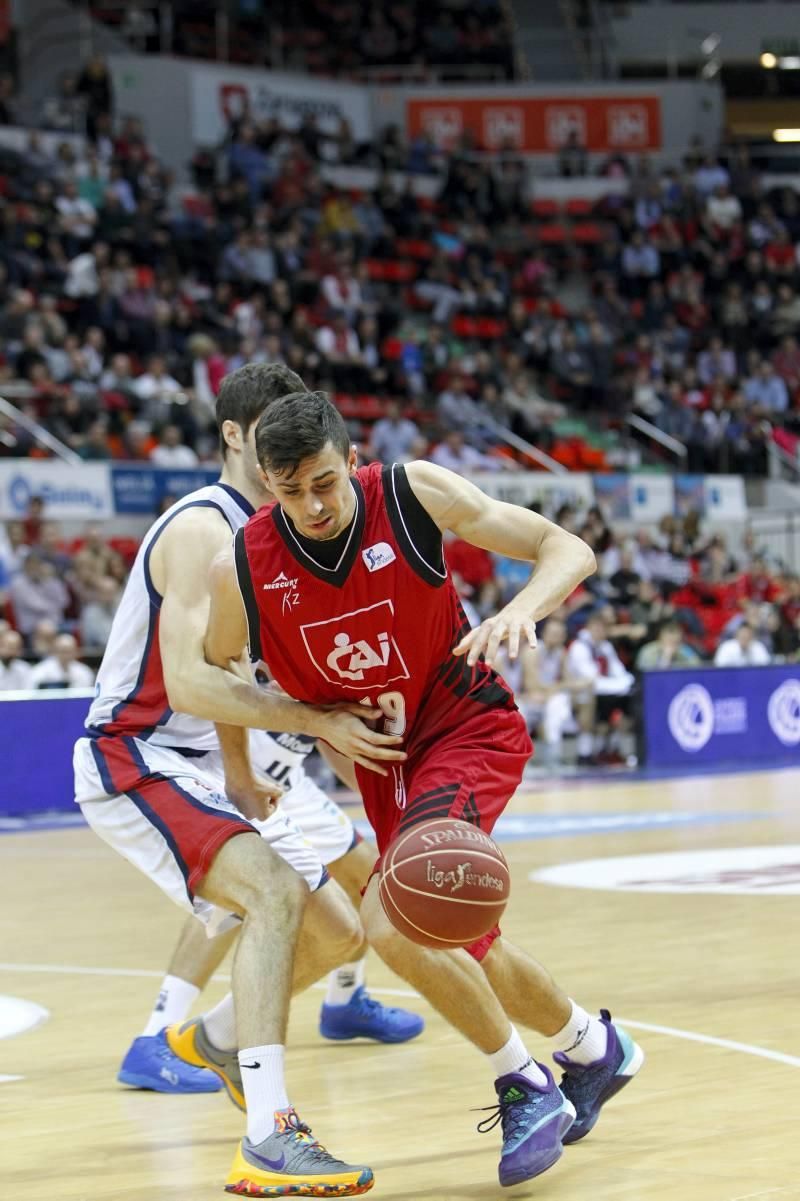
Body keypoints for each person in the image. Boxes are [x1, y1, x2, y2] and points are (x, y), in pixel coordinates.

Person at [194, 390, 644, 1190]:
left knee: (394, 914)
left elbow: (564, 547)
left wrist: (519, 610)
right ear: (265, 482)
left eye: (326, 482)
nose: (313, 505)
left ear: (352, 461)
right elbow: (220, 668)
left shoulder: (413, 494)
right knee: (457, 938)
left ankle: (526, 1084)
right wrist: (249, 757)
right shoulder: (245, 564)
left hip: (464, 727)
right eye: (290, 490)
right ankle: (591, 1048)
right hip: (385, 768)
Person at [73, 365, 418, 1197]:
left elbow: (260, 676)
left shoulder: (278, 535)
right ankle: (269, 1134)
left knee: (340, 933)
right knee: (270, 892)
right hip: (142, 749)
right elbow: (196, 680)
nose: (287, 457)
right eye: (272, 435)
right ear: (237, 438)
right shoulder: (203, 528)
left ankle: (223, 1039)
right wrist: (290, 737)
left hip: (221, 757)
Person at [30, 632, 95, 688]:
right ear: (55, 651)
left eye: (69, 651)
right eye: (63, 651)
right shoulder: (40, 671)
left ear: (75, 652)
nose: (66, 655)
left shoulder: (85, 672)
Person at [636, 621, 701, 670]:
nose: (673, 644)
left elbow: (697, 668)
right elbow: (650, 675)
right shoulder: (649, 650)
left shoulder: (684, 649)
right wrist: (666, 656)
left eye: (676, 642)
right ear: (660, 637)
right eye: (670, 640)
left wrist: (681, 653)